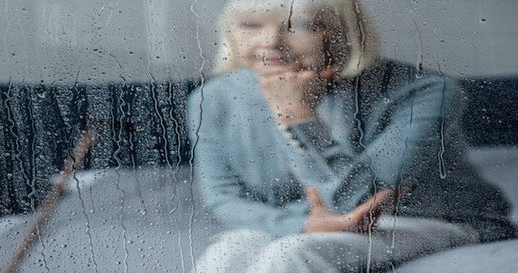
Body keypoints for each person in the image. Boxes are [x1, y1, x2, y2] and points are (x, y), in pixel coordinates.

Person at [186, 0, 516, 272]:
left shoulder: (427, 91)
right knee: (225, 256)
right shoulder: (212, 98)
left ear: (343, 32)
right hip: (306, 222)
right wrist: (302, 224)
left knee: (291, 256)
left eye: (297, 25)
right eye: (250, 25)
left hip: (430, 219)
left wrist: (298, 115)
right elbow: (222, 198)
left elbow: (359, 201)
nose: (271, 42)